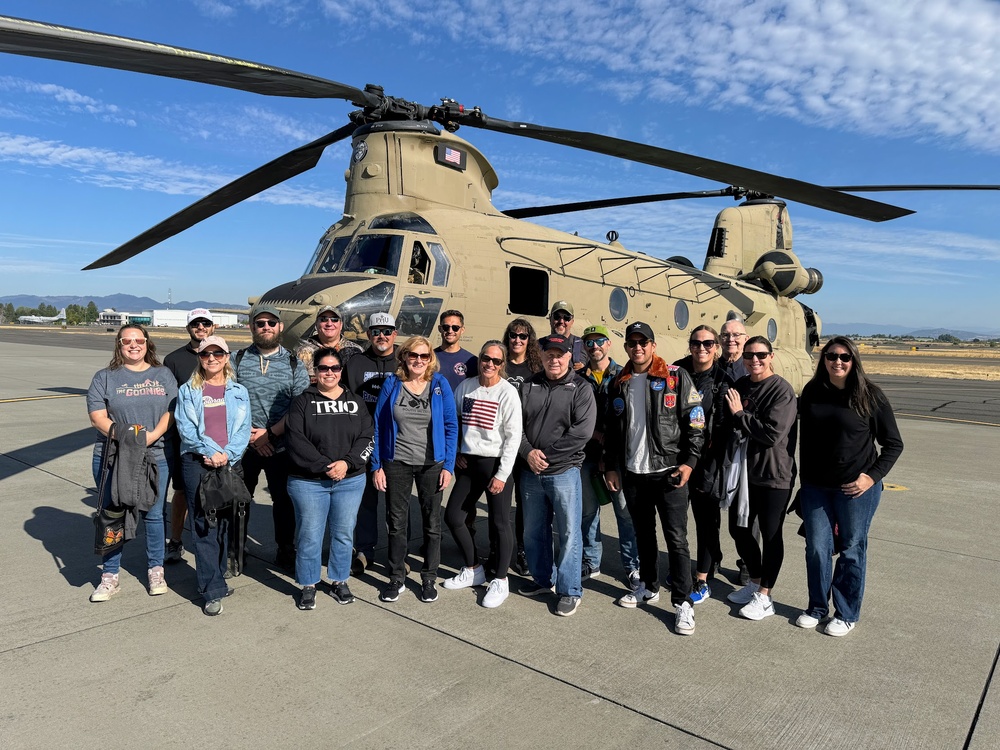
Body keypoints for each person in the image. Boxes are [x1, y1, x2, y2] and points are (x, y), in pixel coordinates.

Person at [796, 336, 903, 636]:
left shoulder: (871, 395)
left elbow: (893, 444)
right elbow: (805, 442)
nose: (837, 362)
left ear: (854, 360)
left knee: (852, 549)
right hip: (817, 487)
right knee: (816, 548)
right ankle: (817, 607)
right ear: (824, 360)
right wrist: (804, 483)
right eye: (831, 356)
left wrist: (870, 478)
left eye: (844, 357)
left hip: (856, 489)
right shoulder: (813, 391)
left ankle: (845, 613)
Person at [603, 322, 704, 636]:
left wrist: (688, 463)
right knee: (643, 534)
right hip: (634, 473)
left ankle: (683, 602)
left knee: (677, 539)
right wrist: (610, 466)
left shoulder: (674, 377)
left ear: (653, 345)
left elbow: (696, 421)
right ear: (627, 348)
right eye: (632, 343)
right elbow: (612, 430)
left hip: (668, 472)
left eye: (643, 342)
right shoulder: (619, 382)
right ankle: (648, 585)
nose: (638, 348)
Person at [86, 324, 177, 602]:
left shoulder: (163, 374)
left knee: (153, 514)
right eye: (127, 341)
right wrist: (129, 437)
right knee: (113, 513)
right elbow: (97, 417)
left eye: (139, 340)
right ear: (119, 345)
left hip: (155, 455)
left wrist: (151, 437)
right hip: (113, 455)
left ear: (148, 343)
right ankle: (110, 575)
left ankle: (155, 569)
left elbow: (172, 410)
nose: (133, 345)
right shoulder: (105, 377)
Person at [285, 348, 375, 611]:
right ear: (315, 370)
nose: (329, 373)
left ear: (341, 371)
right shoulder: (303, 401)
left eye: (335, 368)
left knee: (344, 533)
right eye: (323, 368)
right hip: (309, 482)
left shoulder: (355, 401)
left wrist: (347, 463)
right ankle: (309, 584)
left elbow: (367, 436)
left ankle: (338, 579)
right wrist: (325, 466)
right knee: (310, 536)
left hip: (350, 480)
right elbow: (295, 440)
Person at [371, 336, 458, 604]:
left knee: (432, 523)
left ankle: (428, 576)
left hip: (432, 463)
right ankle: (396, 576)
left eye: (423, 356)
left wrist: (449, 466)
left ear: (430, 358)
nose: (418, 361)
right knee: (396, 523)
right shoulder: (392, 383)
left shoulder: (440, 385)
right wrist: (377, 465)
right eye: (413, 355)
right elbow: (377, 425)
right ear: (404, 357)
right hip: (396, 461)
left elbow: (451, 426)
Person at [517, 334, 596, 617]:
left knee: (569, 534)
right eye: (549, 354)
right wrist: (528, 452)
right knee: (533, 531)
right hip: (531, 471)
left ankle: (569, 590)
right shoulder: (529, 385)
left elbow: (581, 433)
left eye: (560, 354)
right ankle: (542, 580)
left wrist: (544, 456)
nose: (554, 359)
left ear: (568, 357)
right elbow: (516, 426)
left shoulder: (581, 389)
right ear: (542, 356)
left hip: (563, 472)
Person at [174, 336, 251, 616]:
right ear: (200, 358)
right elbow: (187, 428)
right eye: (207, 353)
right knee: (204, 525)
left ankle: (216, 575)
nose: (212, 358)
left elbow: (244, 430)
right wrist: (211, 452)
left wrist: (227, 455)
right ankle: (212, 590)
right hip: (199, 463)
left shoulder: (240, 391)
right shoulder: (188, 390)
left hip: (229, 462)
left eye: (218, 353)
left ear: (227, 357)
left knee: (227, 523)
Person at [442, 341, 522, 608]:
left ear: (502, 365)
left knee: (499, 523)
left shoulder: (507, 392)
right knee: (453, 516)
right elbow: (453, 422)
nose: (490, 364)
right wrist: (455, 454)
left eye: (496, 361)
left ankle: (500, 580)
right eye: (486, 358)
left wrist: (502, 475)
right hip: (468, 463)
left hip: (495, 464)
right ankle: (473, 568)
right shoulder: (466, 387)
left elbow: (513, 438)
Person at [231, 304, 309, 573]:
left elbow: (299, 407)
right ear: (252, 327)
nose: (266, 327)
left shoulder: (294, 363)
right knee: (239, 499)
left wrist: (270, 434)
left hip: (281, 445)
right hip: (244, 445)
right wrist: (251, 437)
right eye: (260, 323)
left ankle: (285, 549)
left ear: (280, 327)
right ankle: (236, 548)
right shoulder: (237, 359)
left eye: (271, 323)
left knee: (284, 501)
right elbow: (228, 401)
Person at [724, 335, 798, 621]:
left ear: (771, 356)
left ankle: (766, 596)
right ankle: (754, 581)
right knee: (738, 528)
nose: (755, 360)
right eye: (749, 355)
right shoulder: (741, 385)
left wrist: (740, 414)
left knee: (770, 533)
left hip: (773, 474)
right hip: (743, 471)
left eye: (761, 355)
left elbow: (771, 433)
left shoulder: (781, 391)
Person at [674, 324, 733, 605]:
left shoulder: (722, 379)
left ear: (716, 347)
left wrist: (705, 458)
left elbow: (722, 425)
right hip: (675, 457)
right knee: (676, 520)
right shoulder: (676, 371)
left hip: (707, 461)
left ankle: (702, 578)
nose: (701, 349)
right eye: (696, 343)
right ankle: (681, 568)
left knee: (707, 522)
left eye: (708, 344)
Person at [579, 325, 640, 588]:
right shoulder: (578, 378)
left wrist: (609, 448)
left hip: (618, 457)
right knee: (588, 512)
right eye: (589, 343)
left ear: (609, 344)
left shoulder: (624, 375)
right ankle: (591, 561)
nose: (595, 347)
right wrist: (595, 435)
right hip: (586, 455)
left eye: (600, 341)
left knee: (625, 513)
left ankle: (632, 565)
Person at [343, 311, 399, 574]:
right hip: (363, 439)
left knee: (396, 502)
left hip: (398, 441)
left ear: (394, 334)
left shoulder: (405, 360)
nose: (381, 336)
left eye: (387, 331)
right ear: (368, 335)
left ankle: (400, 553)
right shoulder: (355, 363)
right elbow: (345, 400)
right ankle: (365, 550)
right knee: (365, 500)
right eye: (376, 331)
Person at [163, 308, 217, 564]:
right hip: (185, 440)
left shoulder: (222, 356)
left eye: (205, 323)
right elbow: (170, 403)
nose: (201, 327)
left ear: (212, 327)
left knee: (220, 493)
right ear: (188, 328)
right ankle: (175, 541)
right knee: (183, 492)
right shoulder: (173, 360)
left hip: (219, 440)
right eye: (196, 323)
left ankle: (220, 542)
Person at [502, 317, 543, 576]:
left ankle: (523, 551)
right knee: (501, 503)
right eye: (513, 335)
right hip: (502, 446)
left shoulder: (536, 370)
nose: (517, 340)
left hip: (526, 446)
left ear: (530, 340)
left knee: (525, 505)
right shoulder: (499, 364)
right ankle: (500, 549)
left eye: (523, 336)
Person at [295, 305, 363, 382]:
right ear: (316, 324)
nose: (329, 324)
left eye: (334, 319)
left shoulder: (355, 351)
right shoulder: (303, 352)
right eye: (324, 319)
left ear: (341, 325)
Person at [434, 309, 478, 392]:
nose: (450, 331)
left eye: (455, 328)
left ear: (462, 330)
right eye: (446, 327)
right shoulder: (429, 357)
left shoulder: (472, 361)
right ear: (440, 329)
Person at [547, 301, 588, 371]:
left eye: (566, 317)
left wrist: (585, 369)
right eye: (557, 316)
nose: (561, 321)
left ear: (572, 321)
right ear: (550, 319)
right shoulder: (539, 345)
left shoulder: (583, 346)